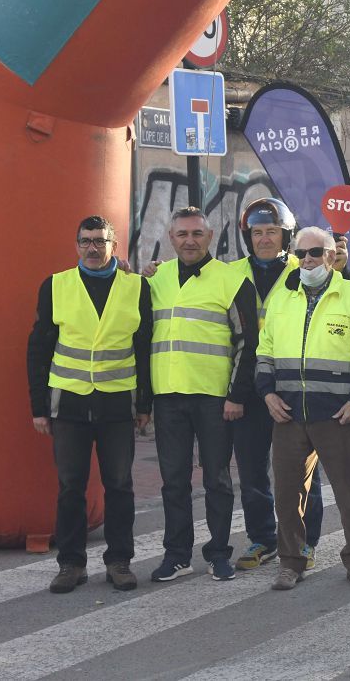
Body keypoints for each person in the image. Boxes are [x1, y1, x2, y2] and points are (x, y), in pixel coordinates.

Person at [27, 215, 151, 593]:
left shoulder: (137, 287)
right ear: (76, 245)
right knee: (70, 487)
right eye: (85, 241)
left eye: (100, 241)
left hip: (117, 404)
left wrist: (144, 403)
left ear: (114, 245)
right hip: (69, 404)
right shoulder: (56, 285)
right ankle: (71, 564)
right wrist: (38, 407)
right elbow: (39, 349)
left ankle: (119, 561)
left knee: (119, 485)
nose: (92, 248)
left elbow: (145, 348)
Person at [257, 227, 350, 591]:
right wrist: (267, 394)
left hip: (337, 414)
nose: (307, 259)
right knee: (287, 493)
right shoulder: (282, 297)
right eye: (301, 253)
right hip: (287, 412)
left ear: (331, 255)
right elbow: (263, 352)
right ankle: (291, 562)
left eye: (315, 252)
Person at [148, 207, 258, 583]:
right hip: (168, 397)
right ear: (171, 238)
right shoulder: (155, 278)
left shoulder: (231, 280)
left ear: (210, 238)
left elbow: (249, 342)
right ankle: (177, 555)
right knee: (173, 481)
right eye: (182, 234)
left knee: (217, 480)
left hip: (215, 398)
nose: (189, 240)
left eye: (197, 233)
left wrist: (236, 395)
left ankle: (218, 553)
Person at [228, 198, 324, 572]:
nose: (264, 239)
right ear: (247, 237)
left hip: (293, 386)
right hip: (247, 389)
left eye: (271, 232)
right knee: (252, 470)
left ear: (285, 235)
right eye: (257, 233)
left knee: (302, 472)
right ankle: (263, 539)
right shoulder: (230, 273)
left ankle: (305, 542)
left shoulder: (308, 268)